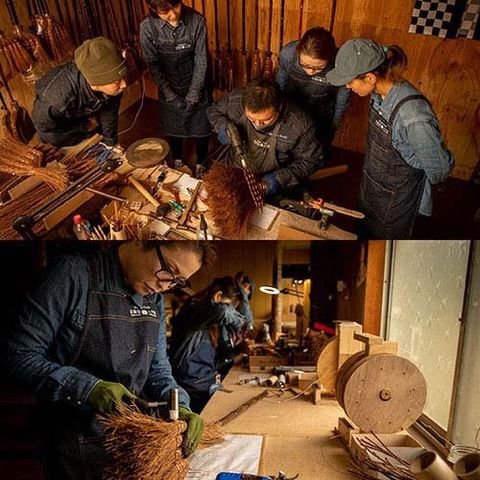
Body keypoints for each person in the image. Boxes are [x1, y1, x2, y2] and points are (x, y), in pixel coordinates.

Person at [1, 241, 216, 480]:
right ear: (142, 240)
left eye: (177, 281)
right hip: (72, 440)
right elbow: (18, 355)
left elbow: (158, 370)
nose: (164, 285)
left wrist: (180, 405)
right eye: (168, 269)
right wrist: (89, 388)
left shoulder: (153, 299)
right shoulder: (73, 274)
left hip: (126, 437)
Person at [326, 39, 454, 239]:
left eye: (350, 81)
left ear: (370, 77)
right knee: (362, 230)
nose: (348, 87)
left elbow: (439, 170)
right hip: (371, 184)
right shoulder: (378, 94)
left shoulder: (413, 117)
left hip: (396, 199)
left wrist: (412, 163)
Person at [208, 79, 325, 202]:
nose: (258, 125)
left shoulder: (300, 124)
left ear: (279, 107)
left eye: (266, 120)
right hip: (234, 167)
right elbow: (213, 111)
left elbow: (311, 160)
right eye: (251, 119)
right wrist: (222, 126)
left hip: (270, 180)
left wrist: (280, 179)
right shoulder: (235, 100)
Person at [140, 0, 211, 169]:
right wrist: (170, 95)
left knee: (202, 130)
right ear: (153, 9)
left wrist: (194, 94)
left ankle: (201, 163)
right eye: (165, 12)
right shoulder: (147, 28)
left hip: (197, 83)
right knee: (173, 128)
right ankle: (178, 160)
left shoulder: (197, 21)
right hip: (168, 86)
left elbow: (201, 61)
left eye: (176, 6)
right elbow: (153, 65)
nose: (173, 14)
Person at [169, 277, 247, 413]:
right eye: (227, 305)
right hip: (190, 386)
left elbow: (217, 357)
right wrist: (241, 321)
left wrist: (238, 351)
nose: (230, 311)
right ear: (218, 296)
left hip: (206, 382)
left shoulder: (212, 323)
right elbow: (222, 312)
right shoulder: (193, 311)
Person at [32, 37, 128, 148]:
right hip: (59, 127)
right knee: (52, 137)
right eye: (116, 82)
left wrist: (111, 143)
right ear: (96, 82)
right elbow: (43, 127)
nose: (124, 84)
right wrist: (84, 126)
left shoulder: (112, 86)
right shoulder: (55, 98)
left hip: (84, 114)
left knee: (101, 129)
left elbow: (109, 112)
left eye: (122, 78)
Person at [277, 27, 351, 153]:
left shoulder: (340, 61)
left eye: (319, 68)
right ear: (299, 51)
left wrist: (336, 120)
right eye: (305, 65)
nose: (311, 72)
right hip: (293, 108)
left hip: (322, 111)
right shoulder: (288, 54)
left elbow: (344, 93)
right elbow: (280, 83)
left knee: (318, 150)